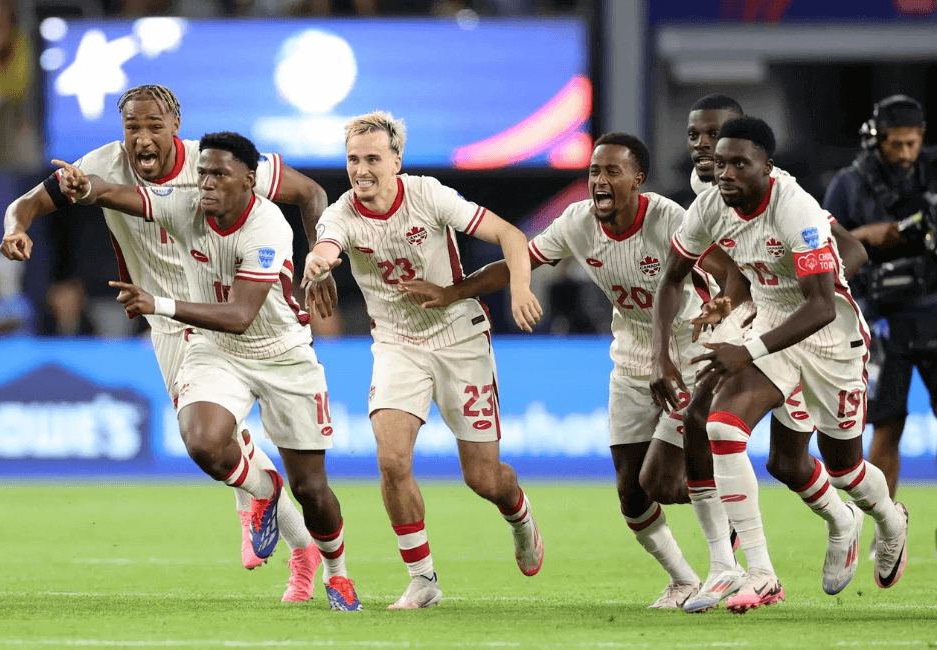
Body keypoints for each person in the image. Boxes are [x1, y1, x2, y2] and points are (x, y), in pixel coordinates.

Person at [0, 85, 333, 601]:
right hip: (170, 323)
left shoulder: (214, 163)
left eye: (155, 125)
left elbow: (310, 193)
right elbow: (28, 204)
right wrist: (15, 228)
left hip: (233, 309)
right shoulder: (100, 165)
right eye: (133, 127)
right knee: (211, 448)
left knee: (216, 442)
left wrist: (320, 259)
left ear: (176, 123)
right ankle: (277, 513)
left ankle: (289, 536)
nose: (143, 137)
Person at [394, 132, 752, 610]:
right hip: (628, 360)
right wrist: (455, 292)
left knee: (662, 482)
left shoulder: (671, 220)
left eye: (611, 172)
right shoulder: (577, 223)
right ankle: (684, 580)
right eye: (593, 173)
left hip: (687, 355)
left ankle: (730, 541)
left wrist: (726, 304)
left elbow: (731, 271)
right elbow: (519, 259)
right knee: (631, 494)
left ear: (638, 180)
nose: (598, 182)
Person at [53, 132, 363, 612]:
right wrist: (84, 187)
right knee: (201, 439)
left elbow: (241, 314)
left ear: (250, 181)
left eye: (220, 175)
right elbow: (121, 194)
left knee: (313, 491)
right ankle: (262, 488)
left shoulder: (268, 227)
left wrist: (159, 303)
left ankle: (337, 572)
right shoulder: (185, 205)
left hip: (282, 354)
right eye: (203, 174)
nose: (208, 184)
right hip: (218, 351)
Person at [651, 116, 910, 614]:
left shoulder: (798, 210)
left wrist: (745, 350)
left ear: (767, 167)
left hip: (830, 339)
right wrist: (662, 355)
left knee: (845, 470)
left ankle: (888, 520)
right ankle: (761, 574)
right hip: (771, 324)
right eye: (720, 163)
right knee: (723, 428)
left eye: (738, 163)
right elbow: (672, 277)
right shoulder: (708, 206)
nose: (724, 172)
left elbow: (818, 304)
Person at [302, 110, 544, 610]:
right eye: (353, 159)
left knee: (483, 478)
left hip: (460, 339)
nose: (361, 169)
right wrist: (318, 266)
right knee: (391, 458)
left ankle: (519, 516)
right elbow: (325, 247)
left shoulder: (428, 194)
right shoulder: (341, 214)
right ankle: (423, 579)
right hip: (397, 344)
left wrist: (520, 288)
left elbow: (511, 237)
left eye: (372, 158)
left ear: (396, 161)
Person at [823, 95, 937, 510]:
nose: (906, 153)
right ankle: (885, 527)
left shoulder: (932, 171)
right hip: (882, 319)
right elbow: (820, 247)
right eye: (896, 144)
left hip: (933, 308)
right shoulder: (848, 184)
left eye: (913, 143)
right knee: (887, 425)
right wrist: (866, 235)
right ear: (876, 138)